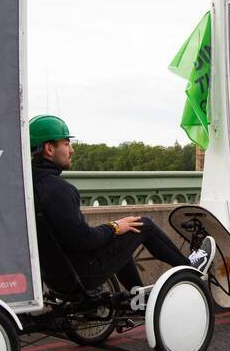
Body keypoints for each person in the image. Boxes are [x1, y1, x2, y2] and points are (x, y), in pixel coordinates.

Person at [29, 115, 212, 292]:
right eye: (66, 143)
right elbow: (85, 240)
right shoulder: (59, 190)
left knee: (123, 233)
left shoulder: (27, 186)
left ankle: (136, 295)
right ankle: (190, 267)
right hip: (83, 275)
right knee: (142, 225)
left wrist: (116, 229)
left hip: (53, 277)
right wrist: (114, 227)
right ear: (49, 149)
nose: (72, 150)